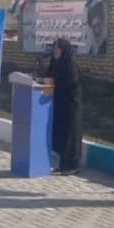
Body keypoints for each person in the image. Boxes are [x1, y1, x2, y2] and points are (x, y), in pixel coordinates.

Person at [44, 38, 83, 174]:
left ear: (64, 50)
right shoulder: (55, 63)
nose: (55, 50)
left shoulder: (71, 65)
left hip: (71, 107)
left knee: (70, 136)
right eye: (54, 48)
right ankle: (64, 165)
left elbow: (71, 83)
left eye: (58, 48)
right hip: (60, 105)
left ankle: (73, 166)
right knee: (63, 137)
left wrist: (54, 82)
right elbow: (49, 77)